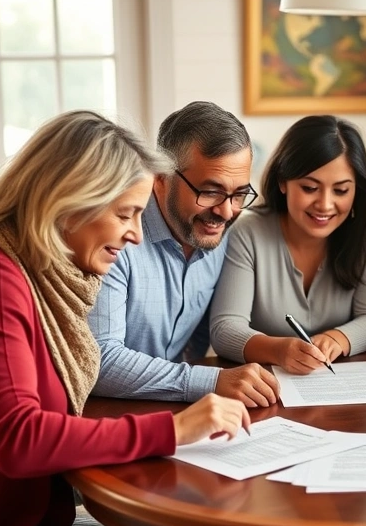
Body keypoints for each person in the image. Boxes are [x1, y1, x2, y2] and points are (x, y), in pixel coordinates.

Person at [0, 111, 251, 526]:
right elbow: (18, 438)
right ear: (70, 202)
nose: (136, 234)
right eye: (125, 214)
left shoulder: (35, 274)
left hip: (27, 525)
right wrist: (173, 430)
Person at [88, 101, 280, 408]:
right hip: (107, 413)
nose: (226, 211)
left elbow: (203, 336)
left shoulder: (222, 234)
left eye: (239, 193)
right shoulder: (117, 236)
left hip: (178, 410)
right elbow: (100, 360)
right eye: (211, 191)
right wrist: (209, 382)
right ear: (161, 179)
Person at [208, 115, 366, 374]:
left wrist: (339, 338)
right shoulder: (248, 231)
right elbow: (224, 329)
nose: (325, 204)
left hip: (340, 389)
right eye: (310, 187)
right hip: (267, 389)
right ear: (283, 181)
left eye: (340, 190)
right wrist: (278, 350)